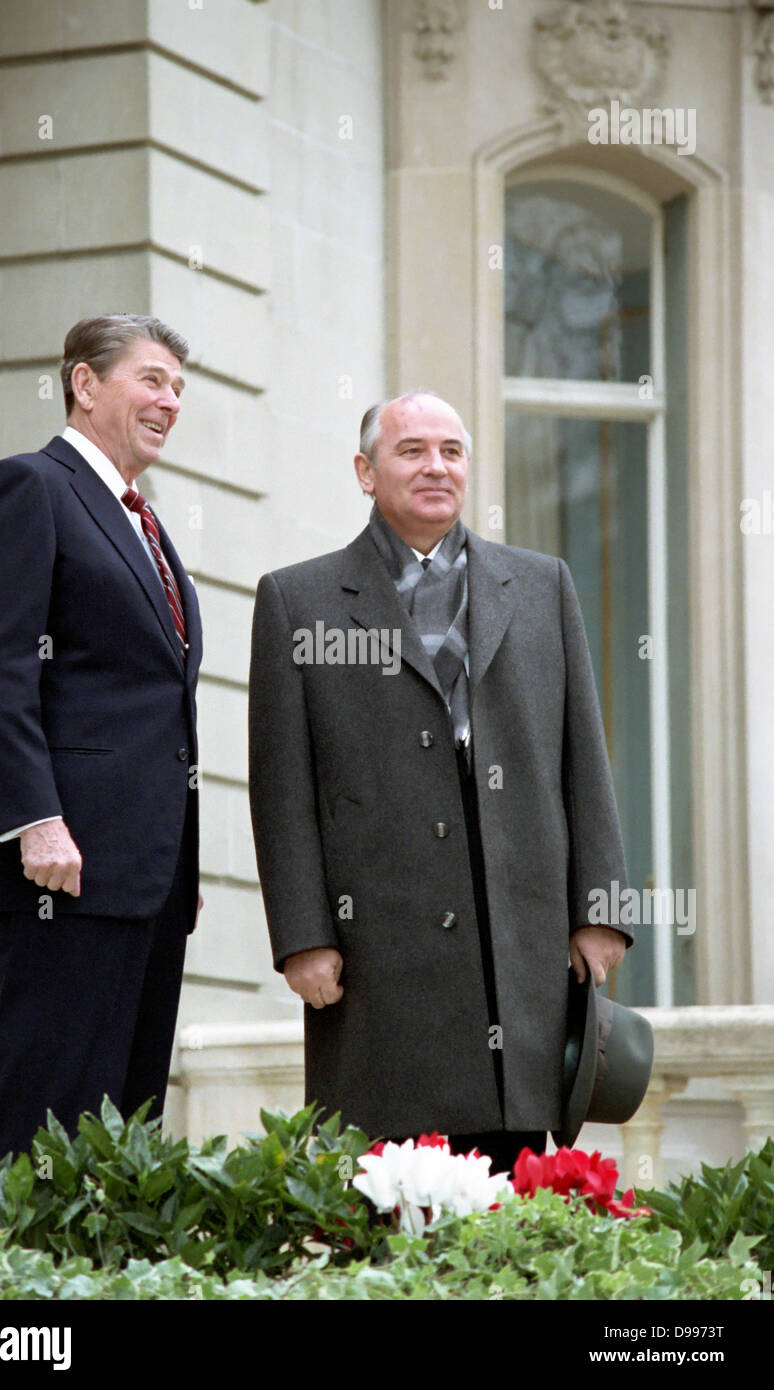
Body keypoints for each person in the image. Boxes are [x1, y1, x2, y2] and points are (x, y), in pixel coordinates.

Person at [248, 390, 631, 1173]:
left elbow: (583, 758)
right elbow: (281, 787)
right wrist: (303, 936)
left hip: (520, 954)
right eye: (412, 450)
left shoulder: (541, 585)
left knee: (515, 1216)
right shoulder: (297, 600)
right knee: (389, 1213)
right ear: (365, 471)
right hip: (378, 960)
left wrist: (603, 909)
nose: (436, 466)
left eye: (451, 451)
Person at [0, 314, 203, 1163]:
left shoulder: (146, 524)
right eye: (152, 379)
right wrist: (34, 819)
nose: (170, 401)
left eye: (177, 386)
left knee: (127, 1136)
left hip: (147, 878)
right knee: (46, 1123)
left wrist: (178, 857)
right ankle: (16, 1291)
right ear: (84, 384)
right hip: (65, 865)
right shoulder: (30, 486)